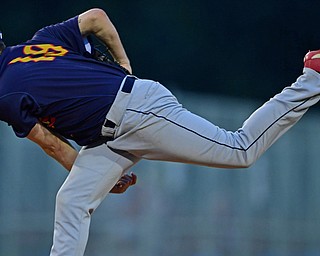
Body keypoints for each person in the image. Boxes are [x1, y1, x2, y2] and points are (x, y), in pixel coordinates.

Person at [0, 7, 320, 256]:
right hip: (108, 134)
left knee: (239, 150)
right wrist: (123, 63)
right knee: (71, 200)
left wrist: (94, 170)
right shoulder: (38, 43)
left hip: (139, 113)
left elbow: (52, 145)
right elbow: (96, 18)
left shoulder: (6, 92)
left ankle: (312, 78)